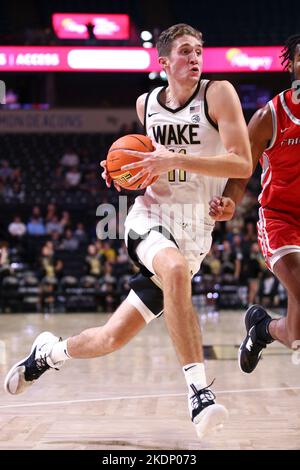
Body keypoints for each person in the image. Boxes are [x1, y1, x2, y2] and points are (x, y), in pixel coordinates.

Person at [4, 24, 251, 438]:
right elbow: (141, 162)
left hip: (195, 231)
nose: (195, 57)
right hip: (149, 219)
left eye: (199, 50)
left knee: (109, 338)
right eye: (186, 51)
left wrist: (215, 191)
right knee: (171, 270)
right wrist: (120, 172)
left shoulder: (218, 93)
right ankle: (199, 394)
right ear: (164, 62)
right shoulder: (146, 104)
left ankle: (47, 353)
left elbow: (242, 163)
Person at [209, 34, 300, 373]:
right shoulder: (269, 116)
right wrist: (230, 203)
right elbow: (241, 168)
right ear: (291, 65)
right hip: (281, 219)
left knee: (295, 335)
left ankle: (262, 329)